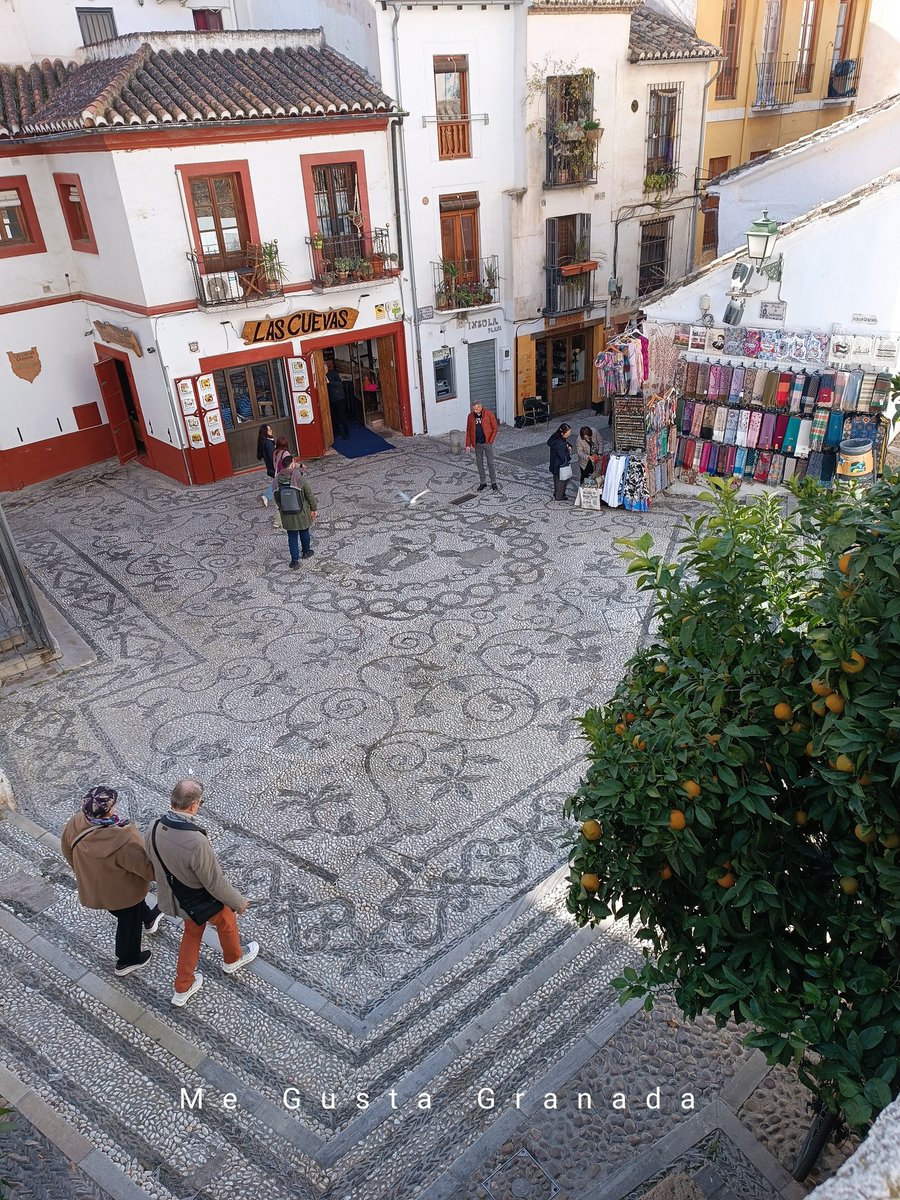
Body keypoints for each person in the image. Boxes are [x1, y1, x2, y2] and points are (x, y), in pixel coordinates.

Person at [145, 778, 258, 1008]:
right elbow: (214, 883)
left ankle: (183, 987)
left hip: (176, 898)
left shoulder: (154, 826)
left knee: (192, 932)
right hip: (198, 899)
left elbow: (150, 861)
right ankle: (233, 958)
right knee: (226, 919)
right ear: (194, 805)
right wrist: (239, 902)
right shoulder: (196, 841)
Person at [61, 786, 160, 977]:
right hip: (124, 894)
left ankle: (149, 918)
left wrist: (84, 870)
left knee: (130, 913)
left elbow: (66, 849)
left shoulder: (77, 821)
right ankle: (127, 960)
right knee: (128, 923)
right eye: (113, 805)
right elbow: (149, 871)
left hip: (96, 889)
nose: (115, 808)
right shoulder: (123, 840)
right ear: (107, 811)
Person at [275, 454, 318, 569]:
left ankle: (294, 561)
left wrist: (282, 507)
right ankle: (306, 551)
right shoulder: (299, 477)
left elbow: (276, 497)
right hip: (301, 511)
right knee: (304, 531)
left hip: (286, 513)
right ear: (293, 463)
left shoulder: (277, 479)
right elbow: (309, 494)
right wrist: (314, 508)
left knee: (292, 536)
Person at [464, 401, 499, 491]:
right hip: (477, 443)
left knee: (490, 463)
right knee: (479, 464)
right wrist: (468, 444)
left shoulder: (489, 414)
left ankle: (493, 482)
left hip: (487, 443)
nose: (474, 411)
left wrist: (490, 441)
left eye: (476, 409)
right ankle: (483, 482)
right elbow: (469, 430)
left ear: (480, 407)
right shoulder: (470, 416)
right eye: (473, 409)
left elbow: (495, 428)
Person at [547, 423, 573, 500]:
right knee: (562, 481)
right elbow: (564, 456)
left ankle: (556, 493)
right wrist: (568, 451)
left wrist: (567, 445)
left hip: (554, 463)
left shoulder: (555, 438)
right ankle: (559, 496)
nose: (569, 434)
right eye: (568, 433)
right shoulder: (560, 443)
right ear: (562, 433)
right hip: (560, 464)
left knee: (556, 479)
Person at [270, 436, 290, 530]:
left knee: (278, 500)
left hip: (276, 478)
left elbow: (275, 466)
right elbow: (289, 467)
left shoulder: (275, 453)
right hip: (284, 478)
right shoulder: (286, 453)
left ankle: (277, 522)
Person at [326, 366, 350, 439]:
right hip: (330, 399)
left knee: (341, 416)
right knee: (334, 416)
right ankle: (338, 432)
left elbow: (340, 383)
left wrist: (329, 382)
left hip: (339, 398)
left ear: (326, 368)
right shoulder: (321, 375)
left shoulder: (333, 373)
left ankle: (346, 433)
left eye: (325, 367)